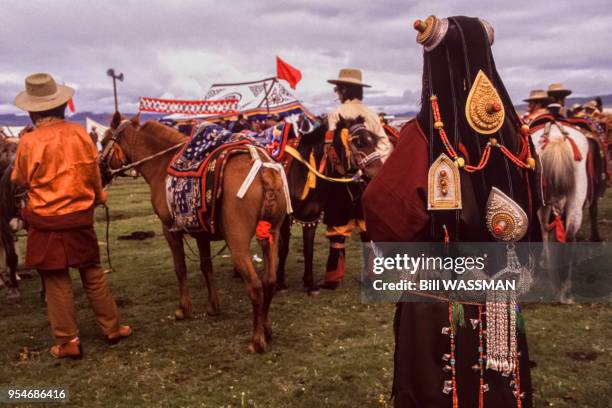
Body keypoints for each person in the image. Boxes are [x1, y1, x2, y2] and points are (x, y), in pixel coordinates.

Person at [363, 16, 538, 407]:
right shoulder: (514, 129)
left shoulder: (426, 132)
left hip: (438, 293)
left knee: (435, 386)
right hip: (502, 286)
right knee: (500, 384)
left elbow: (386, 209)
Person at [11, 73, 131, 359]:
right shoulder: (79, 133)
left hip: (46, 219)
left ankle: (68, 342)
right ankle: (112, 328)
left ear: (32, 109)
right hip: (79, 216)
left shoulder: (29, 142)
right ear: (62, 105)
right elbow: (93, 174)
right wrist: (99, 197)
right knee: (92, 273)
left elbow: (20, 178)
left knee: (56, 281)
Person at [316, 69, 393, 290]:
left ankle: (334, 278)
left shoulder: (336, 113)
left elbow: (334, 150)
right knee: (368, 229)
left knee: (338, 229)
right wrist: (371, 169)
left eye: (338, 90)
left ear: (343, 90)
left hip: (342, 180)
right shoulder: (370, 114)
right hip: (368, 180)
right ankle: (373, 278)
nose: (337, 93)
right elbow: (385, 145)